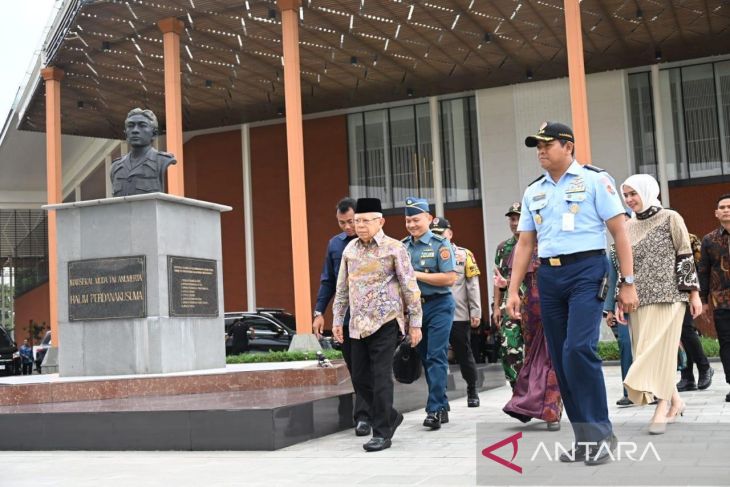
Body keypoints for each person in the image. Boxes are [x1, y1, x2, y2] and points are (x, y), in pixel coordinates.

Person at [507, 121, 639, 466]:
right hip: (548, 276)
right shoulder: (533, 190)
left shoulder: (596, 180)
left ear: (568, 146)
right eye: (537, 146)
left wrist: (628, 280)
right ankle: (585, 439)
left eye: (547, 144)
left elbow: (619, 232)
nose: (540, 151)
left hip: (587, 270)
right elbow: (524, 244)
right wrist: (512, 290)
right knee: (562, 359)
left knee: (579, 348)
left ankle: (602, 433)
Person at [332, 197, 422, 452]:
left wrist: (415, 324)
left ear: (380, 221)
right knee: (360, 378)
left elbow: (409, 286)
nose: (359, 225)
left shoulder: (395, 248)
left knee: (381, 377)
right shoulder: (350, 250)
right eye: (357, 221)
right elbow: (342, 288)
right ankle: (391, 416)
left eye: (365, 221)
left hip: (386, 322)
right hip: (357, 325)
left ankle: (381, 431)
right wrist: (338, 319)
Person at [619, 174, 702, 434]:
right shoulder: (628, 226)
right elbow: (624, 268)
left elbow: (685, 254)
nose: (630, 199)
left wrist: (694, 294)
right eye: (626, 195)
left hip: (670, 297)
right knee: (644, 351)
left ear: (647, 191)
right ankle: (676, 401)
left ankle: (662, 407)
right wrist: (619, 300)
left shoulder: (670, 217)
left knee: (661, 353)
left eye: (633, 193)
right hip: (638, 300)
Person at [312, 197, 372, 436]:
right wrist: (319, 312)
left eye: (350, 221)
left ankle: (365, 416)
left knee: (370, 366)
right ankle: (369, 411)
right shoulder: (335, 245)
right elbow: (328, 281)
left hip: (373, 317)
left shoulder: (377, 242)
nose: (347, 227)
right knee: (356, 369)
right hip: (346, 318)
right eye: (341, 223)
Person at [402, 198, 457, 430]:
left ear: (429, 218)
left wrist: (416, 274)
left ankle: (433, 409)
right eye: (408, 220)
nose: (412, 224)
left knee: (436, 356)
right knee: (425, 357)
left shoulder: (439, 244)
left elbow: (449, 278)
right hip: (415, 309)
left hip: (439, 305)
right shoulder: (402, 246)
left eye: (416, 219)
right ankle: (442, 404)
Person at [502, 238, 563, 431]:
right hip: (531, 310)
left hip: (557, 304)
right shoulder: (521, 247)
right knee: (533, 358)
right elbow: (514, 282)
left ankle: (552, 410)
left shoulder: (559, 240)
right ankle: (529, 404)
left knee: (553, 357)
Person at [429, 217, 482, 407]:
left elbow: (472, 285)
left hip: (458, 314)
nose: (438, 238)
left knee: (463, 352)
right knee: (437, 355)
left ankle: (472, 389)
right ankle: (440, 396)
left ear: (449, 234)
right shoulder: (428, 254)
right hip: (435, 313)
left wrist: (475, 311)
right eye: (434, 234)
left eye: (441, 234)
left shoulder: (464, 255)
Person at [698, 193, 730, 402]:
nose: (726, 210)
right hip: (722, 301)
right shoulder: (709, 240)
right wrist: (702, 301)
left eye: (729, 206)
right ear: (716, 213)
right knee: (727, 343)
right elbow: (703, 271)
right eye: (722, 207)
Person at [492, 202, 525, 388]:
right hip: (508, 305)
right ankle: (518, 388)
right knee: (509, 346)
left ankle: (539, 389)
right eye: (512, 219)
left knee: (538, 348)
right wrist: (496, 306)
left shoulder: (539, 244)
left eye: (519, 218)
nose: (515, 223)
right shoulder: (503, 248)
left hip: (534, 303)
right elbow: (498, 279)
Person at [677, 233, 714, 392]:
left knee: (686, 329)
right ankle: (687, 376)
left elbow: (698, 268)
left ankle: (704, 367)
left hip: (686, 291)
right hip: (667, 292)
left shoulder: (689, 239)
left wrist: (695, 294)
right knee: (677, 334)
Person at [110, 108, 176, 197]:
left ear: (154, 134)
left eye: (142, 125)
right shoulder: (116, 166)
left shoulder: (162, 161)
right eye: (131, 125)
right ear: (126, 134)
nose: (135, 130)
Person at [604, 240, 634, 407]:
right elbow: (612, 277)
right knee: (625, 344)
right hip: (622, 305)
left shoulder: (644, 238)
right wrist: (608, 309)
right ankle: (629, 392)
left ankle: (653, 391)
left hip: (646, 302)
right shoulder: (615, 248)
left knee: (645, 345)